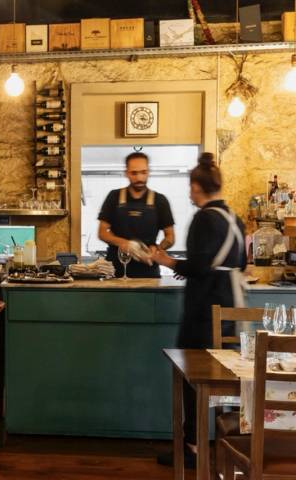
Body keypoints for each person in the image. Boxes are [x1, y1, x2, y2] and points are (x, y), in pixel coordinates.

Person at [151, 152, 246, 468]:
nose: (189, 194)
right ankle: (230, 444)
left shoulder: (204, 218)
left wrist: (168, 262)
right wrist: (188, 267)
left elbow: (201, 265)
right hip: (231, 306)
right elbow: (237, 264)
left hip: (205, 308)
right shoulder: (235, 218)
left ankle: (192, 447)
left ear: (196, 187)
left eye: (190, 188)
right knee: (226, 379)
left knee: (192, 377)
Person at [98, 151, 175, 278]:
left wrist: (158, 248)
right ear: (126, 173)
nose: (139, 178)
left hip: (148, 271)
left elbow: (170, 237)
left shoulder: (160, 200)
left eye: (143, 172)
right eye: (134, 173)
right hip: (115, 271)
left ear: (148, 172)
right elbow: (102, 232)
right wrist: (125, 244)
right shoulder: (114, 197)